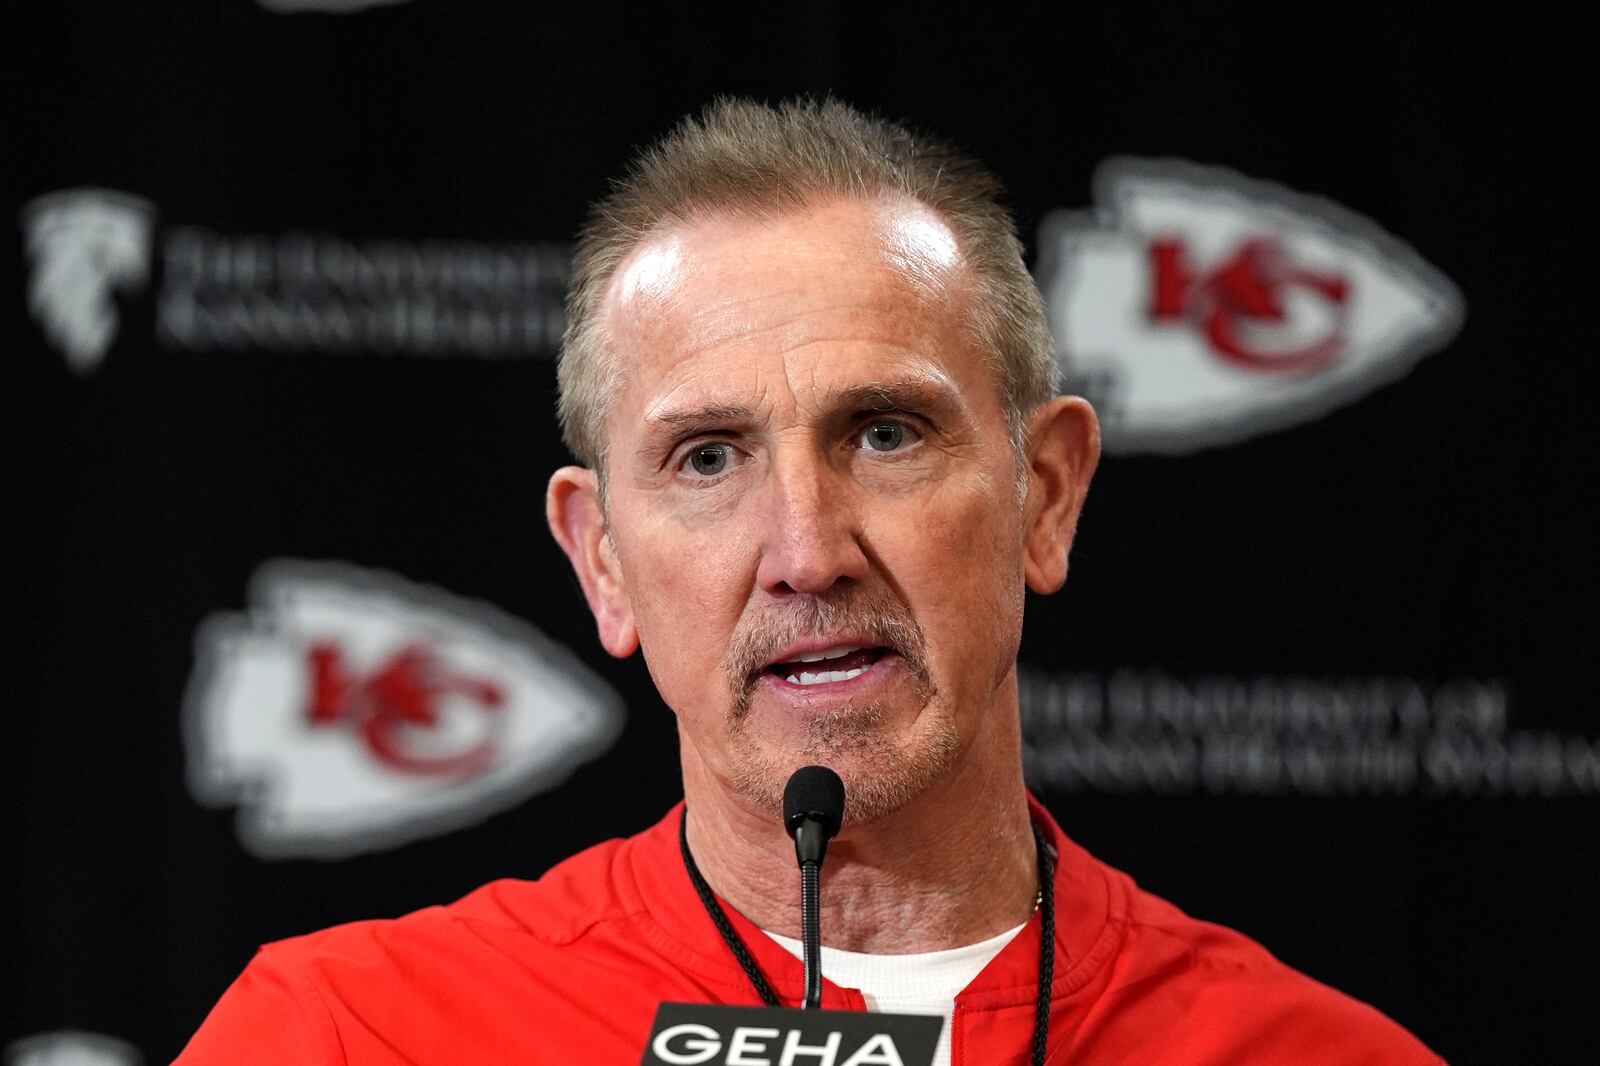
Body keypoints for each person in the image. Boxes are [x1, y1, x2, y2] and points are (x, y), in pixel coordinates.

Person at [176, 98, 1443, 1065]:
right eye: (708, 457)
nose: (806, 550)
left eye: (885, 433)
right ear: (601, 560)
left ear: (1044, 496)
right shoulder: (344, 1034)